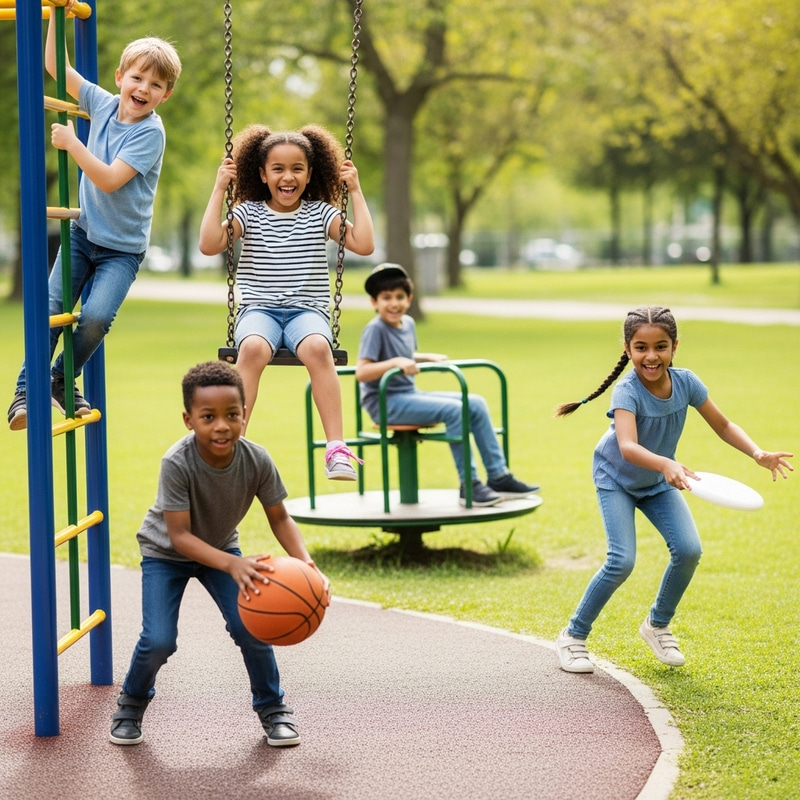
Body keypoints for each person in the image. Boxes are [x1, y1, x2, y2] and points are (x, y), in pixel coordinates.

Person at [554, 306, 793, 673]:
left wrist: (757, 453)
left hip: (658, 481)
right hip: (616, 479)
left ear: (675, 346)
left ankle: (657, 625)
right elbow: (628, 446)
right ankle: (573, 636)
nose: (651, 356)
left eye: (660, 346)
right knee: (622, 561)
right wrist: (666, 463)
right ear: (627, 348)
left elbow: (724, 424)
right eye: (641, 347)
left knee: (689, 550)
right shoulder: (626, 391)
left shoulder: (687, 383)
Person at [110, 361, 330, 747]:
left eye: (232, 415)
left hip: (224, 547)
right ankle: (131, 703)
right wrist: (233, 563)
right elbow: (179, 536)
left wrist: (308, 565)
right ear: (188, 419)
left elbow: (279, 517)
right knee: (159, 639)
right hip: (166, 553)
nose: (222, 426)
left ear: (245, 414)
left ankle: (273, 709)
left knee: (251, 628)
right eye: (208, 417)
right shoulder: (177, 462)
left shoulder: (257, 459)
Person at [7, 4, 182, 430]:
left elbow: (107, 180)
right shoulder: (102, 102)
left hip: (121, 251)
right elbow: (55, 65)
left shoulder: (149, 133)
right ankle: (25, 394)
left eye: (155, 85)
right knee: (51, 307)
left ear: (165, 95)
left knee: (98, 317)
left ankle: (60, 379)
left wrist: (72, 143)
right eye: (137, 78)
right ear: (120, 77)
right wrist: (55, 14)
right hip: (85, 235)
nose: (143, 89)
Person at [199, 124, 375, 481]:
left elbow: (364, 244)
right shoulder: (248, 213)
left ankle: (336, 449)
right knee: (251, 349)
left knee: (317, 349)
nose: (288, 176)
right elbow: (209, 244)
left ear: (310, 174)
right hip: (259, 311)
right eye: (277, 168)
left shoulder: (321, 214)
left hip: (306, 311)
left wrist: (355, 191)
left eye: (297, 168)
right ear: (262, 174)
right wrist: (219, 188)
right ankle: (233, 445)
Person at [355, 263, 540, 507]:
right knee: (454, 410)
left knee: (475, 402)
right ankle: (469, 485)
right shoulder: (375, 329)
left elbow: (405, 355)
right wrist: (395, 362)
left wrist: (425, 357)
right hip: (384, 402)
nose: (394, 303)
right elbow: (362, 371)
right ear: (374, 303)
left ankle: (498, 476)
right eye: (386, 298)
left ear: (409, 299)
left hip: (408, 395)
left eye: (399, 297)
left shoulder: (408, 324)